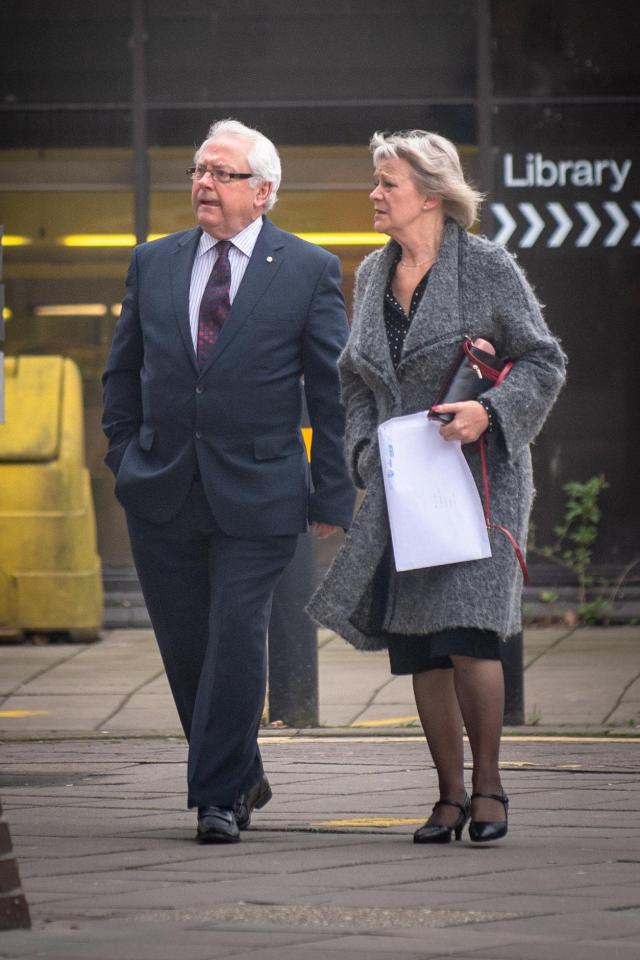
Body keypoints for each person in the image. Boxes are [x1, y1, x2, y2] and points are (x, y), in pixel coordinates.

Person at [308, 129, 566, 844]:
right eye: (376, 181)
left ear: (429, 192)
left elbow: (544, 361)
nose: (375, 194)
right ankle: (447, 796)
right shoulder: (368, 275)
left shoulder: (486, 267)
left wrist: (490, 412)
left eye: (387, 182)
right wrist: (364, 450)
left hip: (478, 482)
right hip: (403, 486)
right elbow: (354, 379)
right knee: (420, 644)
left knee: (469, 636)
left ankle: (489, 789)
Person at [102, 119, 355, 843]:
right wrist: (123, 455)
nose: (203, 184)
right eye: (197, 171)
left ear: (264, 192)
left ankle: (216, 798)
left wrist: (332, 490)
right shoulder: (153, 262)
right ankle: (239, 768)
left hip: (263, 490)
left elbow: (330, 391)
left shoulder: (306, 268)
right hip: (161, 488)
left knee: (236, 637)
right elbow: (122, 372)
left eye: (222, 174)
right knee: (186, 647)